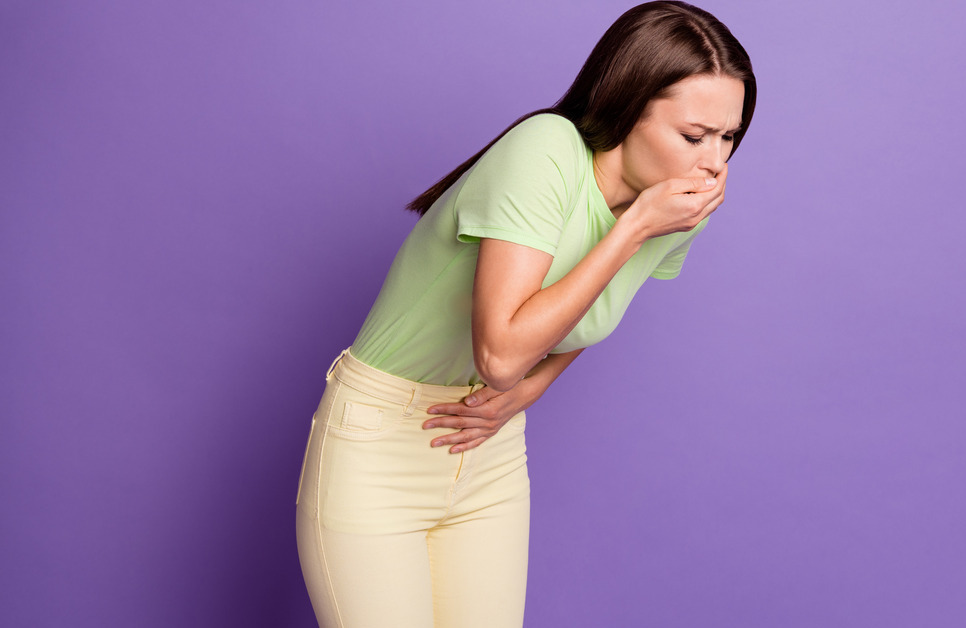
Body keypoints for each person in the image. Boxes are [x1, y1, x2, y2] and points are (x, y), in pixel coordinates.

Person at [295, 2, 756, 626]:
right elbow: (503, 353)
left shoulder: (674, 206)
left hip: (487, 455)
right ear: (626, 109)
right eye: (694, 136)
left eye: (729, 137)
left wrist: (535, 388)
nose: (715, 164)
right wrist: (636, 227)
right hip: (379, 444)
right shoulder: (547, 151)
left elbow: (588, 314)